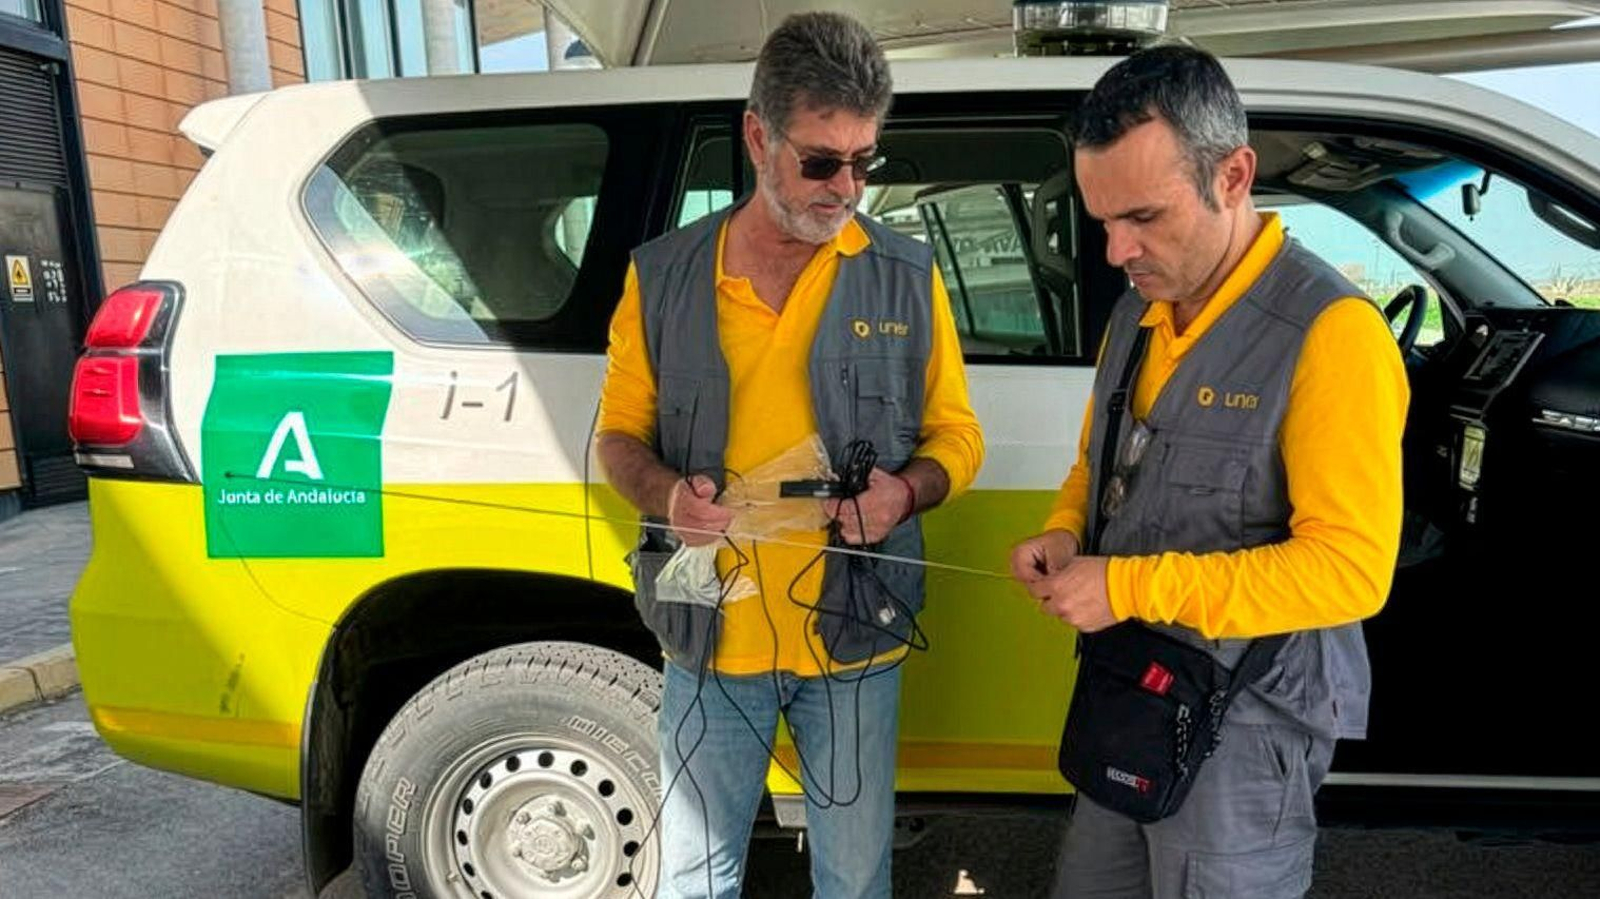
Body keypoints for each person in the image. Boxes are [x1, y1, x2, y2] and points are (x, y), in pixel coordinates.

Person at [595, 12, 983, 898]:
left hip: (854, 632)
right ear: (758, 138)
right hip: (708, 635)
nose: (845, 186)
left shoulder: (905, 273)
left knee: (854, 878)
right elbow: (617, 436)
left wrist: (905, 494)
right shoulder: (663, 276)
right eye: (821, 161)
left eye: (863, 161)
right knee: (695, 879)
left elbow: (958, 437)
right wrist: (664, 494)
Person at [1010, 45, 1408, 898]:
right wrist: (1063, 528)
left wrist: (1130, 586)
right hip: (1130, 692)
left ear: (1233, 175)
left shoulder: (1333, 335)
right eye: (1102, 219)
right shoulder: (1138, 312)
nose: (1117, 249)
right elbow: (1099, 461)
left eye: (1145, 217)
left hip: (1248, 722)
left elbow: (1351, 569)